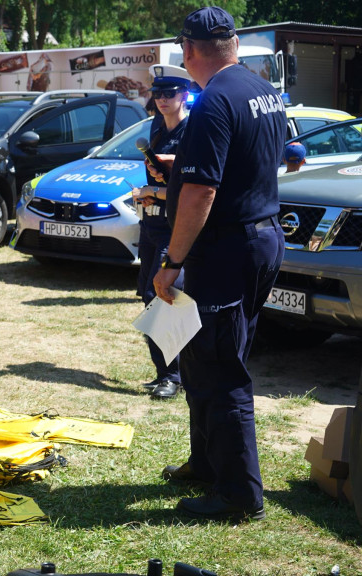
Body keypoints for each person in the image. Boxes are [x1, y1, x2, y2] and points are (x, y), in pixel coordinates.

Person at [152, 6, 285, 521]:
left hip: (227, 248)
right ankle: (206, 463)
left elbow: (201, 191)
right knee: (202, 358)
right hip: (258, 239)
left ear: (188, 50)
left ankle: (239, 495)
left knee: (221, 367)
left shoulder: (212, 103)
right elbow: (280, 155)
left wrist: (171, 261)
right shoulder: (262, 89)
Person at [134, 74, 190, 400]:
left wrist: (153, 191)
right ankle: (163, 372)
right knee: (147, 296)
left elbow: (191, 192)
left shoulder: (191, 133)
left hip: (176, 227)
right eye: (157, 94)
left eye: (169, 93)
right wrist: (149, 196)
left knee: (165, 297)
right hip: (152, 225)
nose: (162, 99)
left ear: (184, 95)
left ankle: (175, 375)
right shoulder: (156, 128)